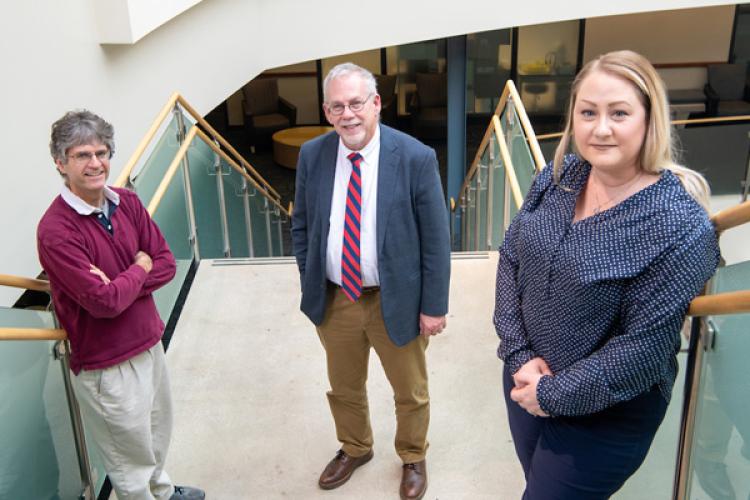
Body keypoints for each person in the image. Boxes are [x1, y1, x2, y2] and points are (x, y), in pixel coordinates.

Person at [493, 50, 721, 499]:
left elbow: (643, 348)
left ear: (649, 119)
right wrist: (519, 355)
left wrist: (552, 394)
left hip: (607, 414)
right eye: (588, 112)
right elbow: (510, 258)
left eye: (619, 113)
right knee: (535, 481)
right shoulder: (560, 176)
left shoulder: (679, 224)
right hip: (526, 378)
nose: (600, 128)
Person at [291, 63, 450, 500]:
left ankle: (413, 456)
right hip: (335, 296)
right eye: (338, 106)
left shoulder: (415, 157)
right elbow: (302, 224)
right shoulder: (313, 155)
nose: (348, 114)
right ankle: (356, 447)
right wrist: (309, 273)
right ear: (327, 111)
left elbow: (436, 241)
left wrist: (433, 305)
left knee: (410, 390)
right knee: (343, 386)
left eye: (357, 103)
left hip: (396, 298)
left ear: (376, 103)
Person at [37, 110, 205, 500]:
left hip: (148, 340)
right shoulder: (56, 230)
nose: (95, 163)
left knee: (155, 434)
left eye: (101, 152)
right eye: (81, 155)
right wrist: (137, 268)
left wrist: (125, 279)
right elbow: (104, 303)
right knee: (128, 463)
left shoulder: (126, 201)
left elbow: (164, 261)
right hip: (105, 364)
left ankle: (162, 493)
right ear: (61, 163)